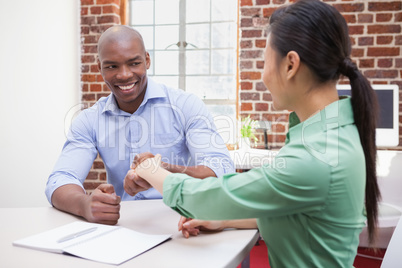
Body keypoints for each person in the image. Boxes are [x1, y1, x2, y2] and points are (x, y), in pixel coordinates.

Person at [130, 0, 381, 266]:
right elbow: (304, 213)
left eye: (264, 62)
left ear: (290, 65)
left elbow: (207, 196)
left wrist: (150, 169)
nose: (263, 76)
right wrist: (226, 220)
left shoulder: (315, 157)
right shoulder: (338, 134)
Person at [45, 25, 234, 225]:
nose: (124, 75)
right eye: (112, 66)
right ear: (99, 67)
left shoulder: (185, 105)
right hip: (124, 228)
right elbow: (60, 179)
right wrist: (84, 204)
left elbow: (222, 169)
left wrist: (163, 170)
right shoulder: (89, 120)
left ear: (147, 60)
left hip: (182, 221)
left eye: (134, 63)